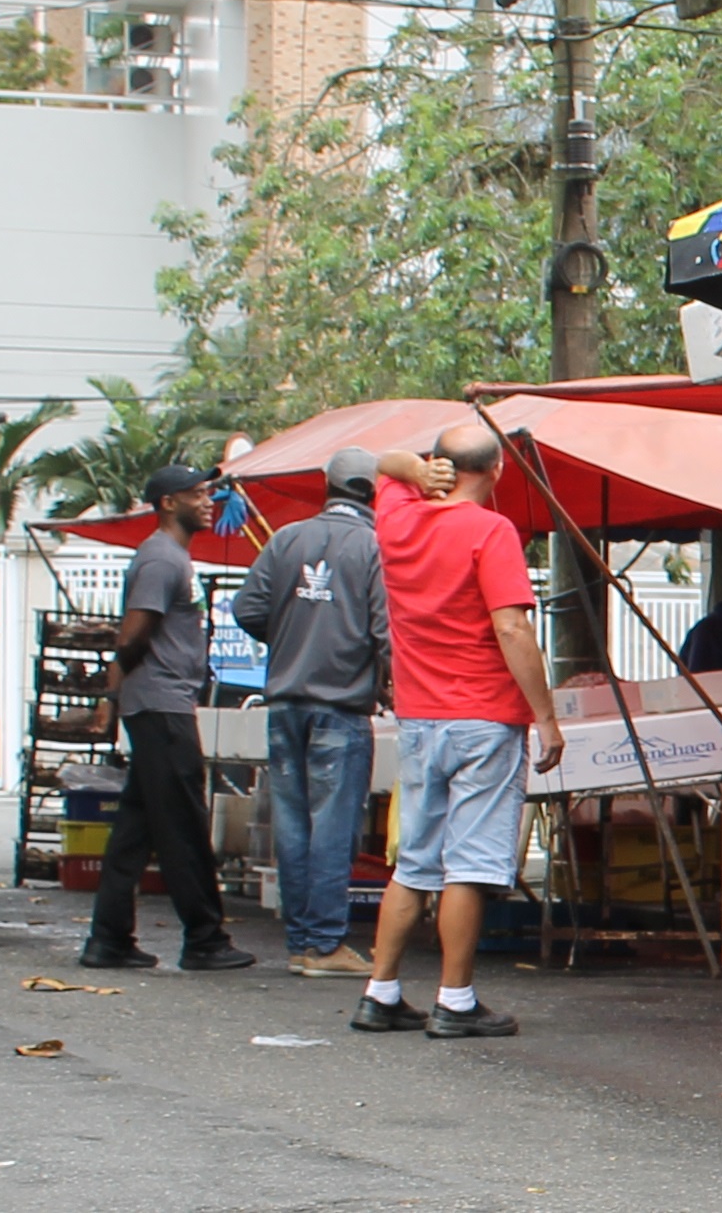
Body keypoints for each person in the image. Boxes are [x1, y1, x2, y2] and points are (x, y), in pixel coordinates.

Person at [351, 427, 563, 1041]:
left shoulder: (398, 517)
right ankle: (456, 999)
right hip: (484, 716)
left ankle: (380, 991)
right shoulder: (491, 531)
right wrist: (545, 716)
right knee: (468, 864)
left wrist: (415, 473)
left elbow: (376, 461)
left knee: (414, 861)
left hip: (418, 717)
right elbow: (513, 630)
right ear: (497, 470)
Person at [81, 465, 255, 973]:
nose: (208, 502)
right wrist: (111, 696)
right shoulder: (160, 559)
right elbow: (133, 635)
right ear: (166, 503)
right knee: (183, 824)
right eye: (197, 495)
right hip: (161, 706)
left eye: (208, 493)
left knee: (137, 827)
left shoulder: (173, 557)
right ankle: (204, 938)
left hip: (162, 702)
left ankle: (108, 938)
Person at [233, 447, 390, 979]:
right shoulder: (373, 547)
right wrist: (391, 684)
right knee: (333, 829)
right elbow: (385, 631)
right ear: (373, 492)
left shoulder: (285, 538)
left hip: (285, 704)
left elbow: (247, 608)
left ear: (329, 486)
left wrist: (293, 637)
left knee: (295, 827)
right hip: (339, 708)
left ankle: (303, 942)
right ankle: (325, 945)